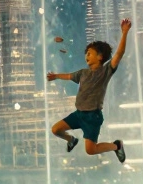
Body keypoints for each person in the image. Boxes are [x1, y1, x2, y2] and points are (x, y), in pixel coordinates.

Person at [46, 17, 130, 163]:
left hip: (92, 117)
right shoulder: (83, 73)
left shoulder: (106, 71)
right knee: (55, 130)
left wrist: (124, 32)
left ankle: (116, 146)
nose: (86, 56)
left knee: (91, 150)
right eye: (86, 54)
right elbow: (69, 76)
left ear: (100, 56)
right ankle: (71, 139)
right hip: (79, 114)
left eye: (89, 53)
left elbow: (119, 54)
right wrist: (56, 76)